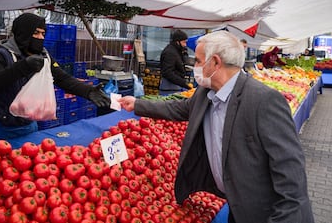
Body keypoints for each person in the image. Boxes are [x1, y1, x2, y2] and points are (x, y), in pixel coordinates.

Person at [118, 31, 314, 223]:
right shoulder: (205, 93)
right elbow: (180, 108)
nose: (193, 66)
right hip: (235, 207)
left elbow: (292, 181)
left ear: (215, 62)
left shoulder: (264, 101)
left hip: (263, 213)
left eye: (198, 61)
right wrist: (137, 104)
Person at [0, 13, 110, 144]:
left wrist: (87, 91)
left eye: (43, 34)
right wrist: (22, 67)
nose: (40, 38)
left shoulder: (44, 56)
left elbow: (62, 78)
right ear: (22, 33)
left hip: (29, 127)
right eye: (36, 33)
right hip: (0, 129)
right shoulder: (1, 56)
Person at [159, 29, 193, 95]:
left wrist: (184, 53)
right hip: (170, 88)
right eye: (184, 42)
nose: (185, 45)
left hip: (176, 86)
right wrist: (183, 83)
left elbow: (183, 62)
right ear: (177, 42)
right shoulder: (170, 52)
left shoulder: (177, 51)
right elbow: (167, 72)